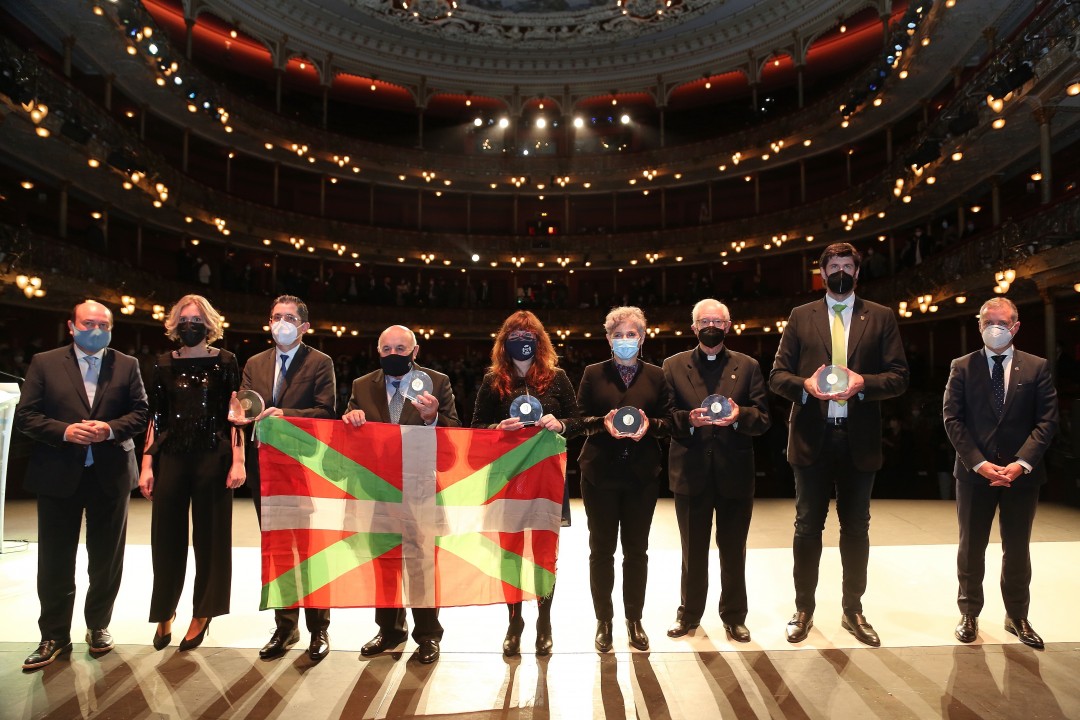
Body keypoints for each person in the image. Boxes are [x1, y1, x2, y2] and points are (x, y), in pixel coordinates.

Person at [769, 242, 909, 647]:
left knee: (856, 527)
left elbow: (899, 376)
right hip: (812, 436)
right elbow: (777, 376)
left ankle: (853, 610)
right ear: (823, 273)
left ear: (858, 273)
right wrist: (806, 386)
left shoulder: (880, 316)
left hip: (858, 437)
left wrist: (865, 383)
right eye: (834, 266)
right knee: (807, 526)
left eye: (848, 265)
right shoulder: (801, 316)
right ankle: (803, 609)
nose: (841, 272)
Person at [15, 300, 148, 670]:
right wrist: (65, 431)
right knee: (55, 560)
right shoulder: (45, 362)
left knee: (106, 559)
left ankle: (98, 626)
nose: (96, 331)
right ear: (72, 326)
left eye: (104, 325)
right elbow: (26, 415)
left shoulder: (127, 364)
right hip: (58, 473)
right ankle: (53, 635)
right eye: (89, 324)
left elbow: (141, 413)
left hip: (110, 474)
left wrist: (109, 429)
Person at [943, 297, 1058, 648]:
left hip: (1021, 475)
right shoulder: (962, 366)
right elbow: (952, 418)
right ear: (979, 325)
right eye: (988, 322)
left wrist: (1021, 463)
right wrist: (979, 463)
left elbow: (1047, 421)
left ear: (1015, 327)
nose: (995, 328)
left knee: (1018, 548)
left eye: (1002, 323)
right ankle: (969, 613)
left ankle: (1017, 616)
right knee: (971, 547)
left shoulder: (1037, 367)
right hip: (974, 474)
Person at [342, 325, 459, 664]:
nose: (393, 354)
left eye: (400, 348)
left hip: (420, 488)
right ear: (378, 351)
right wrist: (351, 419)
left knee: (422, 564)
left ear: (415, 351)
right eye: (386, 349)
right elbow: (348, 438)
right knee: (384, 563)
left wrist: (432, 418)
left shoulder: (437, 382)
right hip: (377, 491)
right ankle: (390, 630)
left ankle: (428, 634)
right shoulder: (362, 386)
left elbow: (453, 441)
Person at [471, 310, 583, 656]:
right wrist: (497, 429)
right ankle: (514, 621)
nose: (522, 341)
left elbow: (578, 421)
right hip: (507, 479)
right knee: (510, 554)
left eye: (528, 335)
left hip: (546, 477)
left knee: (544, 554)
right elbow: (476, 428)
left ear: (539, 340)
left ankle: (544, 622)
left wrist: (560, 424)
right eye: (515, 335)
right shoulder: (493, 381)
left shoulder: (556, 378)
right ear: (504, 342)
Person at [139, 295, 245, 652]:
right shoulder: (162, 363)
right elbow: (156, 417)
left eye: (197, 319)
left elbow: (235, 414)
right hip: (171, 455)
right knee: (165, 537)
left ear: (209, 323)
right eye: (184, 319)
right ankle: (164, 610)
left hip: (214, 454)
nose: (190, 325)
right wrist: (147, 465)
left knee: (211, 538)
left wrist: (239, 459)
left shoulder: (226, 361)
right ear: (174, 323)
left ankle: (203, 612)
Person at [662, 299, 770, 643]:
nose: (712, 326)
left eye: (718, 321)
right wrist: (688, 420)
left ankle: (735, 616)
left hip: (734, 472)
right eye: (705, 321)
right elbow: (665, 417)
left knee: (734, 549)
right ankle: (689, 614)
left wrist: (740, 416)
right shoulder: (672, 366)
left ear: (728, 326)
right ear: (694, 327)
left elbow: (763, 418)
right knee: (692, 551)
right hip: (690, 473)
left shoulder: (748, 366)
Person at [239, 295, 336, 661]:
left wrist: (286, 415)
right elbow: (246, 406)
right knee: (278, 550)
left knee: (311, 551)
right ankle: (285, 627)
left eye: (290, 318)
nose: (281, 323)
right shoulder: (254, 363)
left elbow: (326, 412)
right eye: (276, 316)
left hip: (304, 469)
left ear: (304, 327)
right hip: (265, 469)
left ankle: (319, 628)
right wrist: (240, 412)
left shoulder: (320, 362)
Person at [576, 306, 673, 653]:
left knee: (636, 551)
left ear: (642, 338)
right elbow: (579, 419)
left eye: (631, 334)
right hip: (599, 475)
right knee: (601, 551)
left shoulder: (657, 375)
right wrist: (602, 423)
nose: (625, 340)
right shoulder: (593, 373)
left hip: (641, 476)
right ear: (608, 339)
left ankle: (634, 619)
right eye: (618, 335)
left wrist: (651, 426)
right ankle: (604, 621)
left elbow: (669, 422)